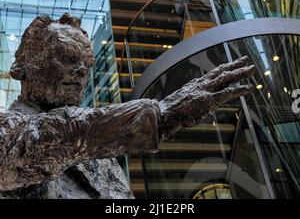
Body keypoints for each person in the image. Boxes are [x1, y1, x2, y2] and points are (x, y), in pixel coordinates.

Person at [0, 14, 254, 199]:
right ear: (20, 66)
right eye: (67, 57)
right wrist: (162, 114)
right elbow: (50, 135)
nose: (80, 71)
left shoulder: (104, 160)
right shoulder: (8, 130)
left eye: (87, 65)